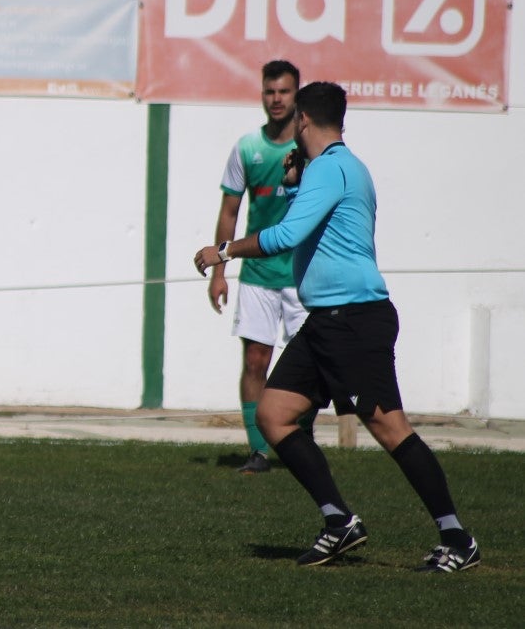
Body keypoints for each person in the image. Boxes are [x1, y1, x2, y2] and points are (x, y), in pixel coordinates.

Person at [194, 82, 480, 572]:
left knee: (391, 430)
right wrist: (291, 182)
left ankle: (458, 538)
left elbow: (286, 234)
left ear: (303, 120)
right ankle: (339, 522)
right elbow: (310, 217)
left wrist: (222, 251)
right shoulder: (338, 168)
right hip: (326, 321)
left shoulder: (331, 168)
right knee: (275, 414)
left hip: (354, 320)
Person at [209, 59, 313, 474]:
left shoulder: (312, 150)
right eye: (270, 91)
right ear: (262, 93)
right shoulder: (247, 148)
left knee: (310, 362)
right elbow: (229, 211)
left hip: (303, 274)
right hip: (258, 274)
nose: (276, 99)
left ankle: (299, 443)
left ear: (296, 96)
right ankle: (258, 451)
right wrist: (219, 271)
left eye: (284, 92)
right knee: (255, 360)